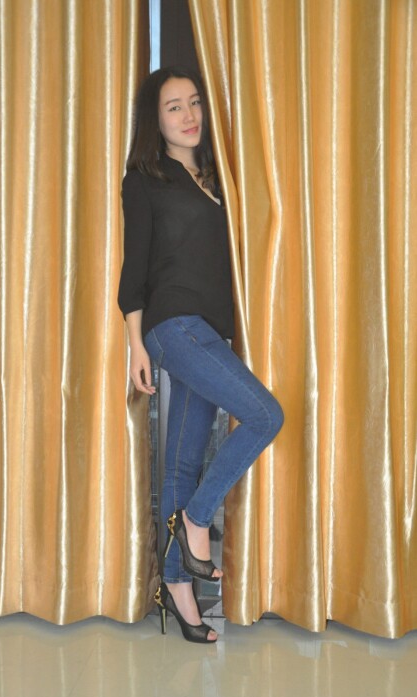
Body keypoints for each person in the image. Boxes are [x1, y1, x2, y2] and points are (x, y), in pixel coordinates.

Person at [118, 67, 283, 643]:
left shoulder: (217, 177)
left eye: (194, 103)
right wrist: (135, 343)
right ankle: (195, 519)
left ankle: (178, 592)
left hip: (208, 330)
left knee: (182, 464)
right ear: (155, 119)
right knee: (265, 415)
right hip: (173, 326)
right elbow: (134, 265)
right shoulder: (144, 179)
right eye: (174, 107)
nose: (189, 115)